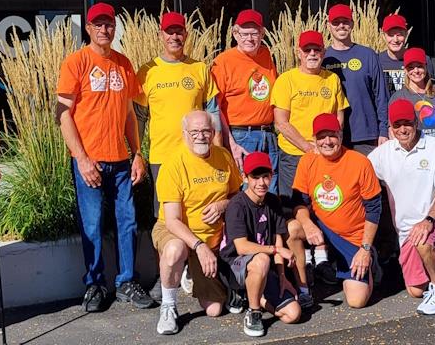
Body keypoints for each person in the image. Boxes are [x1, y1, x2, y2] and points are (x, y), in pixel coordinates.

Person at [56, 2, 153, 313]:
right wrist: (81, 158)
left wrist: (137, 153)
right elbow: (62, 114)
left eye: (108, 24)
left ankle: (126, 282)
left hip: (121, 161)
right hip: (90, 161)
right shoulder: (76, 62)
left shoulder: (124, 64)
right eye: (97, 24)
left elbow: (129, 114)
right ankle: (95, 284)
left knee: (128, 221)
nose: (104, 29)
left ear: (114, 28)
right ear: (88, 28)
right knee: (93, 224)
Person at [135, 11, 221, 300]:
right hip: (162, 158)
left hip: (198, 157)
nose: (174, 36)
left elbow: (213, 114)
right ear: (161, 35)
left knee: (198, 212)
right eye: (169, 32)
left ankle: (194, 269)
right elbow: (138, 118)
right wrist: (136, 153)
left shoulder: (199, 69)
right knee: (164, 219)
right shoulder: (148, 71)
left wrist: (218, 150)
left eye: (179, 32)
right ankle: (166, 276)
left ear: (186, 34)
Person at [271, 30, 349, 302]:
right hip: (294, 155)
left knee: (324, 204)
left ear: (323, 52)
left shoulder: (331, 79)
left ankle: (322, 258)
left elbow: (339, 116)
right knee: (295, 208)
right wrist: (307, 146)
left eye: (317, 50)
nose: (312, 54)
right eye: (307, 50)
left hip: (325, 155)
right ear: (299, 53)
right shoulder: (286, 80)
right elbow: (281, 122)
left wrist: (330, 145)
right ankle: (302, 265)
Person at [368, 99, 435, 315]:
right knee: (416, 290)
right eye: (397, 125)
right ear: (390, 127)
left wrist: (428, 221)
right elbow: (359, 171)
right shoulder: (383, 153)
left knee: (424, 241)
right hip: (406, 229)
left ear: (416, 122)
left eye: (407, 123)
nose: (402, 129)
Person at [153, 110, 243, 335]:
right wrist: (199, 246)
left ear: (213, 132)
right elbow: (172, 221)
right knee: (175, 250)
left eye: (205, 131)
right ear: (184, 134)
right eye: (194, 132)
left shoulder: (223, 157)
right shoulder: (173, 165)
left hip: (213, 238)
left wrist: (222, 205)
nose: (200, 136)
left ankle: (193, 273)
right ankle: (168, 306)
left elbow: (237, 196)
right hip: (180, 233)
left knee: (214, 310)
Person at [292, 113, 382, 309]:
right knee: (293, 229)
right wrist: (307, 225)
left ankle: (368, 259)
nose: (327, 141)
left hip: (353, 238)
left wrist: (365, 248)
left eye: (332, 135)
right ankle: (304, 285)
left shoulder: (359, 162)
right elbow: (299, 203)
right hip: (321, 229)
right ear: (314, 139)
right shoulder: (307, 161)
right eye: (321, 137)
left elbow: (374, 209)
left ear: (340, 135)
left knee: (357, 301)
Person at [220, 151, 301, 337]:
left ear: (271, 176)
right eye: (255, 177)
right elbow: (241, 247)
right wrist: (276, 250)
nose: (261, 182)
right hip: (234, 265)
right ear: (245, 177)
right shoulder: (237, 205)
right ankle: (254, 311)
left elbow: (277, 238)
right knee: (262, 259)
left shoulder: (273, 201)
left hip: (262, 267)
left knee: (293, 314)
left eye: (265, 176)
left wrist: (282, 275)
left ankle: (252, 295)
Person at [211, 9, 279, 188]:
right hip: (241, 136)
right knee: (247, 191)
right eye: (244, 33)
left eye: (254, 33)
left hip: (268, 135)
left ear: (262, 34)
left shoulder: (266, 56)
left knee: (270, 192)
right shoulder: (223, 62)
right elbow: (214, 107)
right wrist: (230, 142)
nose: (249, 38)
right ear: (235, 34)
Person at [322, 3, 389, 155]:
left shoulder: (368, 55)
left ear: (352, 24)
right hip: (331, 136)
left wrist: (384, 130)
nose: (341, 26)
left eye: (345, 22)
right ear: (328, 26)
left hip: (366, 134)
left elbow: (381, 96)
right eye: (336, 22)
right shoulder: (322, 58)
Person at [390, 47, 435, 151]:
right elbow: (392, 130)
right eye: (411, 67)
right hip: (412, 154)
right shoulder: (398, 98)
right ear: (405, 70)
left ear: (426, 67)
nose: (416, 71)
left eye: (419, 66)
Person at [378, 14, 435, 96]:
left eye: (399, 35)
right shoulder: (377, 61)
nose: (395, 40)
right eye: (391, 35)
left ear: (406, 34)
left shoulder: (422, 59)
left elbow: (430, 88)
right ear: (383, 36)